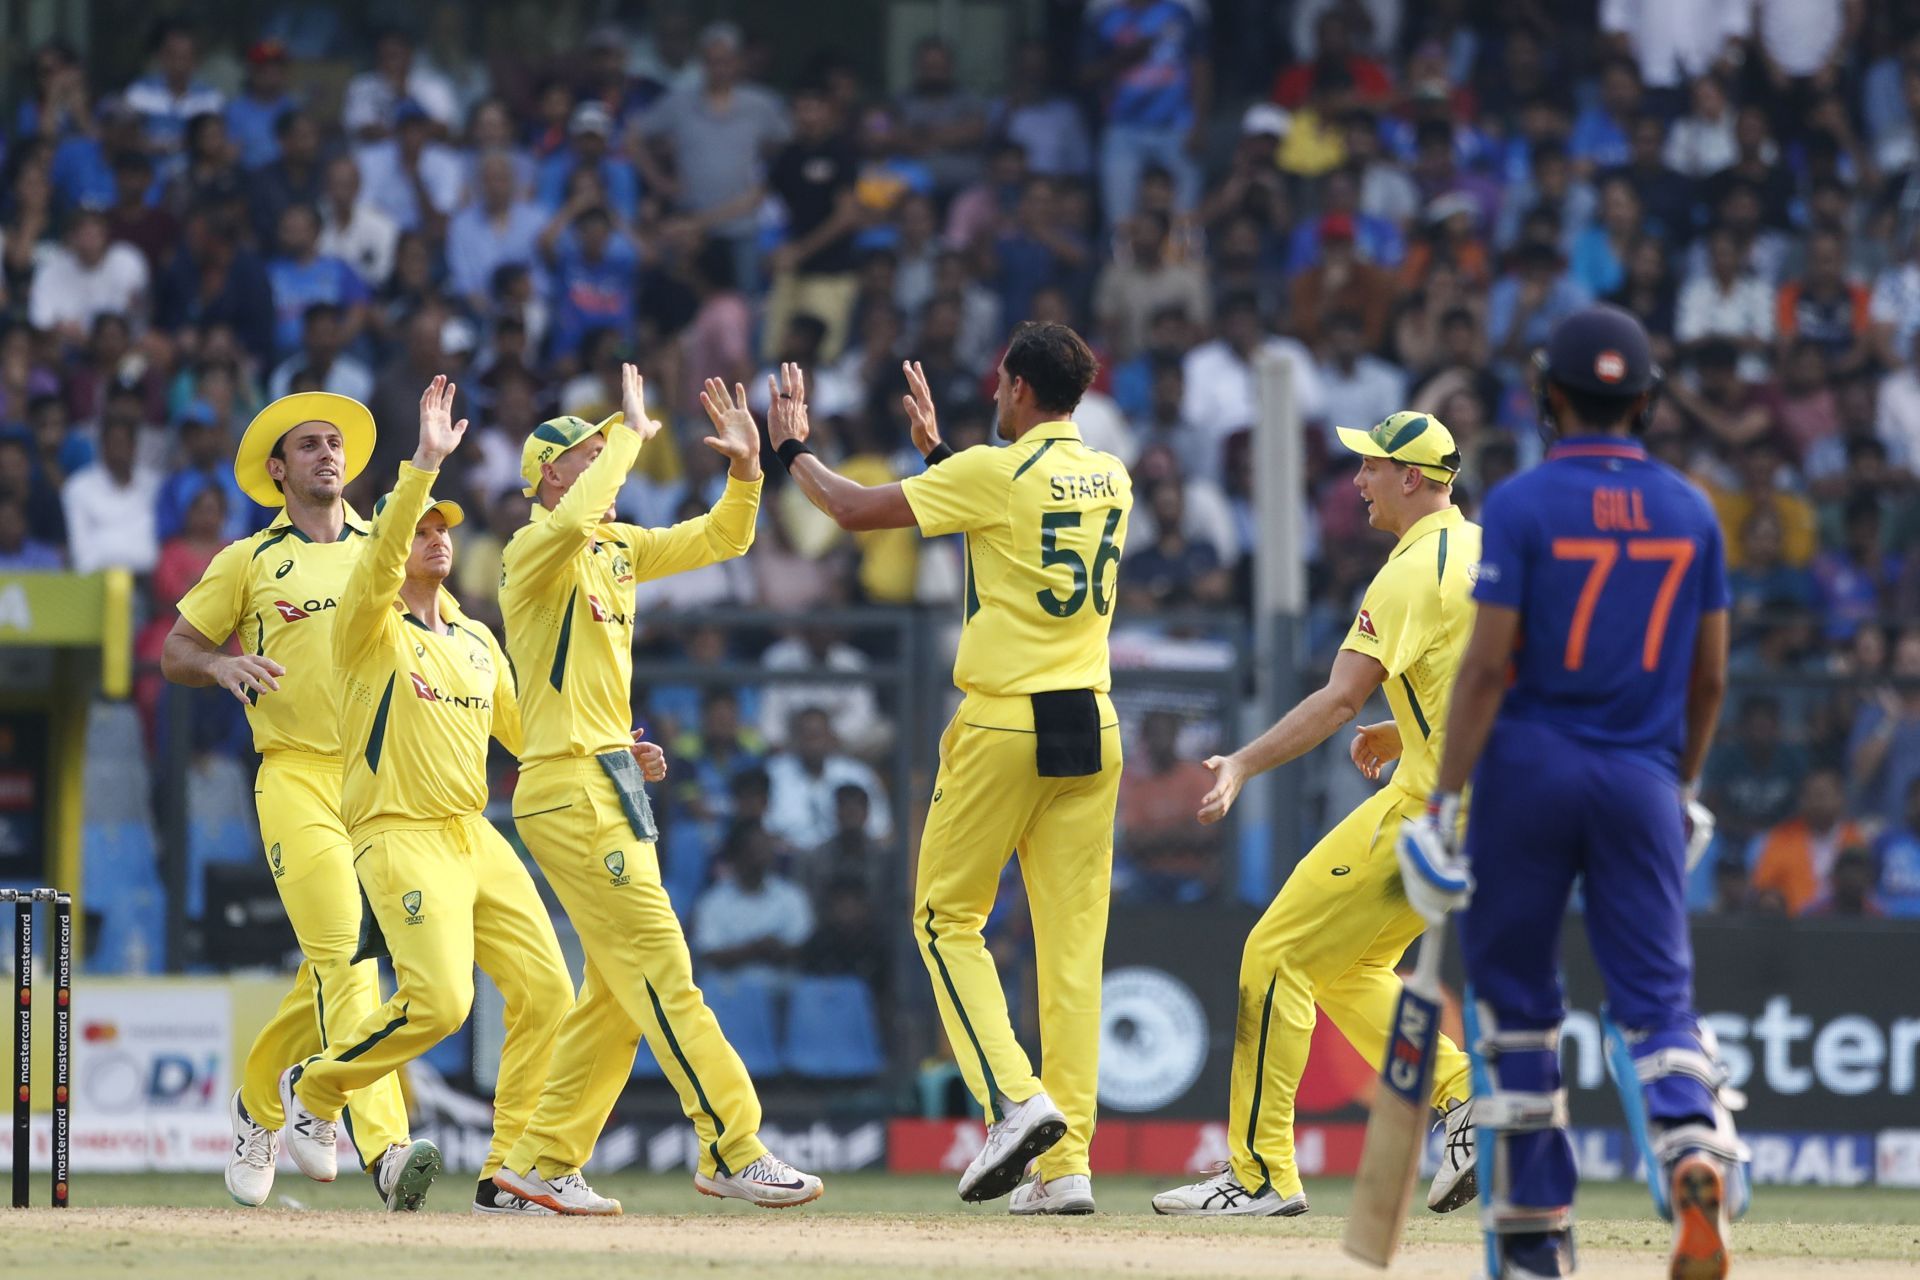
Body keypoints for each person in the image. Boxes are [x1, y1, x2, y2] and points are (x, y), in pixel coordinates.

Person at [1398, 305, 1744, 1278]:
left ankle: (1533, 1230)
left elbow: (1482, 670)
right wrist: (1680, 785)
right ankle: (1690, 1149)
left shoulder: (1518, 503)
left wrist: (1441, 803)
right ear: (1645, 399)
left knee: (1517, 1005)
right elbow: (1710, 679)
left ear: (1550, 393)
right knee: (1657, 999)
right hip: (1641, 776)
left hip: (1528, 777)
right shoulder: (1691, 508)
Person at [768, 323, 1131, 1216]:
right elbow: (1007, 515)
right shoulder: (1112, 473)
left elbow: (851, 510)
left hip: (1006, 721)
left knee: (943, 918)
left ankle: (1013, 1101)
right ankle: (1066, 1166)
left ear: (1011, 386)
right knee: (1072, 956)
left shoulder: (993, 475)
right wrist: (939, 451)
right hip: (1091, 720)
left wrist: (792, 451)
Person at [492, 368, 822, 1213]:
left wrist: (748, 471)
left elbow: (723, 540)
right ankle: (733, 1145)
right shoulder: (534, 549)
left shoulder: (617, 549)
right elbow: (570, 518)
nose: (608, 457)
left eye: (611, 447)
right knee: (665, 970)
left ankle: (538, 1163)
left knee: (617, 992)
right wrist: (635, 435)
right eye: (590, 453)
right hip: (567, 790)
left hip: (605, 780)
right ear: (550, 476)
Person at [274, 379, 590, 1216]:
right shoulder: (366, 626)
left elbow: (532, 732)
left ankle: (509, 1173)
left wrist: (615, 749)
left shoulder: (479, 639)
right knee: (442, 1005)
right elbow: (374, 564)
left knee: (551, 993)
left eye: (444, 526)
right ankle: (316, 1087)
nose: (437, 538)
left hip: (474, 836)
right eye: (420, 529)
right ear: (391, 545)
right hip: (398, 833)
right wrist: (422, 465)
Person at [1152, 410, 1480, 1217]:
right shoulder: (1484, 550)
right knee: (1346, 969)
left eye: (1371, 466)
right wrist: (1404, 725)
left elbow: (1337, 700)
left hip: (1429, 812)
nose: (1357, 481)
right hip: (1486, 809)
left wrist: (1243, 762)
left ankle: (1260, 1177)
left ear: (1412, 478)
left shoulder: (1409, 571)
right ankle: (1468, 1098)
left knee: (1275, 953)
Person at [162, 389, 434, 1211]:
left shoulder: (381, 548)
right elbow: (177, 648)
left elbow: (446, 635)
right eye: (309, 445)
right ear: (277, 470)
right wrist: (220, 666)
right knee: (348, 954)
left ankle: (259, 1100)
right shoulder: (249, 559)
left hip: (380, 779)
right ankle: (385, 1148)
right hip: (294, 776)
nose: (328, 454)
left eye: (335, 443)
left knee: (333, 961)